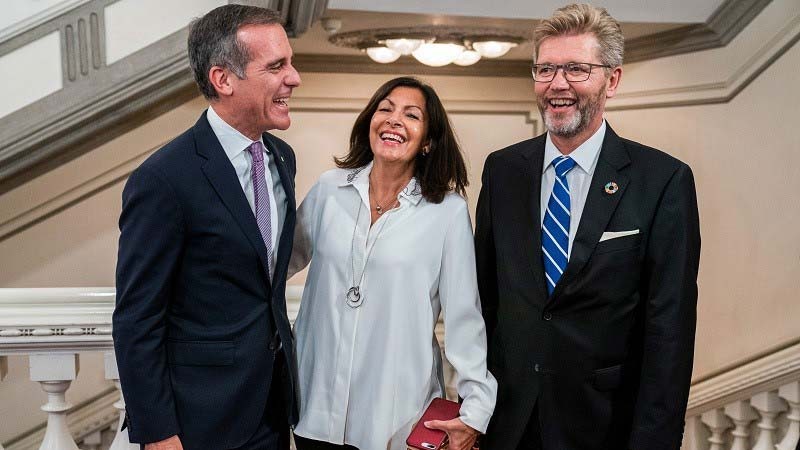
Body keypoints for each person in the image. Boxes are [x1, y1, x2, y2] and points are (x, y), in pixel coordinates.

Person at [475, 4, 701, 450]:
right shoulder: (502, 171)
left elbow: (668, 333)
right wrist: (473, 408)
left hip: (605, 428)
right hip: (508, 423)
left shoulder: (663, 181)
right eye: (545, 69)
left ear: (611, 80)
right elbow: (484, 304)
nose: (557, 84)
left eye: (576, 69)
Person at [112, 5, 301, 450]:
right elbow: (137, 320)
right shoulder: (162, 180)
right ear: (223, 79)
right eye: (276, 66)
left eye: (290, 62)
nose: (294, 78)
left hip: (273, 411)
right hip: (198, 422)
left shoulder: (282, 159)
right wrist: (158, 434)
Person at [288, 76, 497, 450]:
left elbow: (465, 319)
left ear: (428, 141)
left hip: (395, 417)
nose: (394, 119)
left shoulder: (446, 213)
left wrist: (474, 411)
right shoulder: (328, 190)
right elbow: (274, 269)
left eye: (411, 115)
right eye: (385, 109)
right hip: (315, 409)